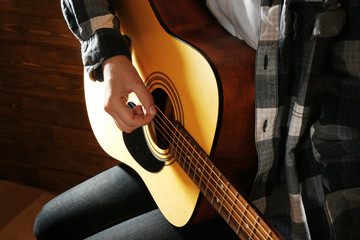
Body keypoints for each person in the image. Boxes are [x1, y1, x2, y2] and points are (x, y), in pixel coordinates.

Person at [34, 0, 360, 239]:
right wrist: (110, 56)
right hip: (197, 133)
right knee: (50, 223)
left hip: (275, 182)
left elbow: (344, 150)